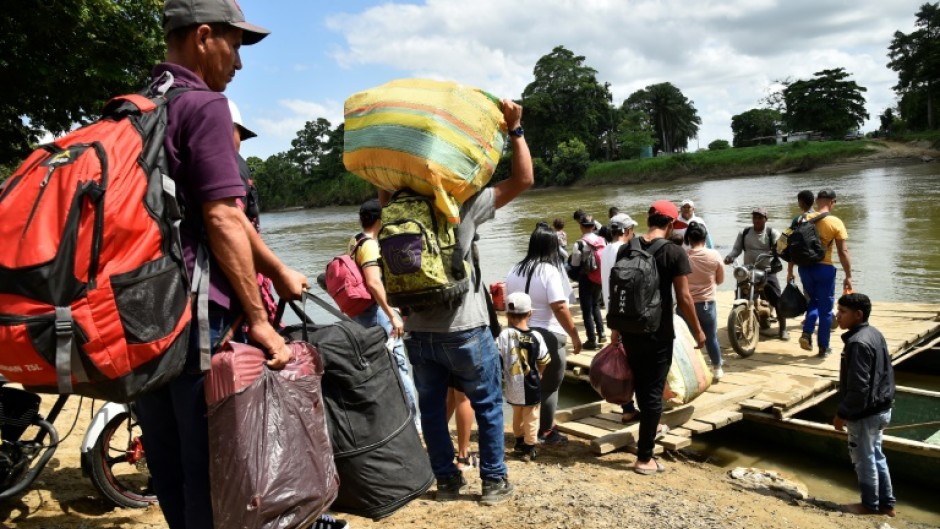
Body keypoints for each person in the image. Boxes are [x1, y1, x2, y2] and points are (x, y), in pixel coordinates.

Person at [135, 2, 309, 528]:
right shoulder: (205, 105)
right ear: (204, 36)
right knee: (215, 471)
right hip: (196, 323)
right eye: (234, 45)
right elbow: (223, 217)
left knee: (169, 468)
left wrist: (277, 270)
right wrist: (260, 322)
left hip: (141, 316)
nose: (238, 62)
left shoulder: (135, 106)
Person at [395, 100, 534, 505]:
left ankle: (447, 482)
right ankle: (492, 483)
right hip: (466, 330)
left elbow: (385, 177)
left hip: (418, 332)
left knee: (433, 411)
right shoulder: (463, 204)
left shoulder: (394, 207)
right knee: (488, 404)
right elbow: (523, 179)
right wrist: (515, 129)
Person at [627, 200, 705, 475]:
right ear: (671, 224)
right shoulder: (674, 252)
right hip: (658, 330)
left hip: (629, 328)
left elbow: (620, 291)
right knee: (653, 390)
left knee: (642, 383)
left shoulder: (630, 246)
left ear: (649, 220)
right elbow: (684, 298)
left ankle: (650, 427)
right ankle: (644, 457)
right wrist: (698, 330)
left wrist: (615, 331)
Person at [505, 223, 582, 447]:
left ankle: (522, 430)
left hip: (519, 334)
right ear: (551, 247)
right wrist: (575, 335)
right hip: (548, 336)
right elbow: (559, 307)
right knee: (549, 387)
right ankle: (546, 431)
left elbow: (509, 305)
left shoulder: (514, 269)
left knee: (524, 385)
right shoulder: (549, 270)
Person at [349, 198, 420, 429]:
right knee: (399, 366)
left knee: (376, 367)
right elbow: (373, 282)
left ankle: (387, 421)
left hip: (361, 315)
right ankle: (414, 422)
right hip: (377, 314)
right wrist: (392, 315)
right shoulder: (370, 244)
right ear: (380, 220)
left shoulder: (355, 241)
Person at [833, 293, 896, 517]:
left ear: (858, 315)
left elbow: (858, 388)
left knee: (864, 459)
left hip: (865, 412)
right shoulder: (874, 333)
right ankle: (887, 505)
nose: (837, 316)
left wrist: (842, 413)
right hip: (882, 407)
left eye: (842, 312)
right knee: (876, 455)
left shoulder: (858, 342)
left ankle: (869, 505)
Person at [797, 189, 852, 357]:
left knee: (813, 300)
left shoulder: (802, 218)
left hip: (805, 268)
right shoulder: (835, 222)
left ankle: (807, 332)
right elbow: (843, 252)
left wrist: (791, 269)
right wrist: (848, 275)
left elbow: (789, 244)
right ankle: (823, 347)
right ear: (832, 202)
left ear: (817, 201)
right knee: (826, 309)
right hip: (824, 268)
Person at [598, 213, 642, 423]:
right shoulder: (625, 250)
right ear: (625, 231)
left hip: (612, 311)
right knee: (635, 361)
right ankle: (640, 407)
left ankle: (628, 406)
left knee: (623, 361)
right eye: (631, 230)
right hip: (626, 312)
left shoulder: (606, 249)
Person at [497, 292, 550, 462]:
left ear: (507, 315)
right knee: (532, 416)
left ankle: (519, 440)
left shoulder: (504, 336)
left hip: (512, 385)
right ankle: (530, 446)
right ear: (530, 313)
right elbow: (543, 359)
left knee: (517, 414)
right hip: (531, 384)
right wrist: (540, 372)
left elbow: (497, 356)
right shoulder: (537, 336)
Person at [724, 207, 789, 340]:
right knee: (739, 298)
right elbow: (736, 250)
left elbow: (781, 247)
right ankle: (737, 325)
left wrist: (782, 247)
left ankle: (783, 329)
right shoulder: (745, 232)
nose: (757, 220)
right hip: (748, 270)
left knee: (778, 299)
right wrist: (730, 257)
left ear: (766, 219)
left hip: (767, 271)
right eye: (755, 217)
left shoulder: (771, 233)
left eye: (760, 217)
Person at [685, 222, 725, 379]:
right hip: (707, 303)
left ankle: (692, 371)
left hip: (686, 305)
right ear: (705, 237)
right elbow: (720, 280)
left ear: (688, 238)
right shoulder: (714, 255)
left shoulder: (684, 257)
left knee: (688, 339)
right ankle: (717, 367)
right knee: (711, 336)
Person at [570, 214, 607, 349]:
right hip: (599, 277)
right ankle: (602, 334)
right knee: (596, 305)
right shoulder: (602, 240)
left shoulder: (579, 243)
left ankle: (592, 340)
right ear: (593, 226)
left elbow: (575, 264)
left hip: (586, 278)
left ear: (581, 226)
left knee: (586, 310)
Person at [785, 190, 816, 288]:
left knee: (808, 295)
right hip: (823, 263)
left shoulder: (798, 219)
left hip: (804, 263)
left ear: (801, 202)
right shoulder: (824, 217)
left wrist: (790, 271)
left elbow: (790, 244)